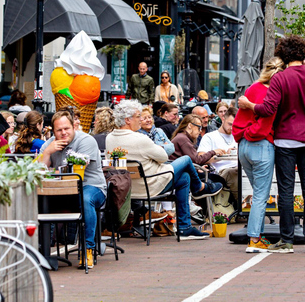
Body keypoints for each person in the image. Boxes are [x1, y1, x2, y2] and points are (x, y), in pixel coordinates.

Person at [238, 35, 305, 254]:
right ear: (304, 53)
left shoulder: (280, 78)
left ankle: (287, 241)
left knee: (286, 190)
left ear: (283, 55)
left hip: (285, 141)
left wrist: (250, 104)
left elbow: (268, 109)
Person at [105, 99, 222, 240]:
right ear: (127, 120)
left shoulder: (110, 138)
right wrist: (161, 147)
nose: (141, 119)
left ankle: (185, 228)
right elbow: (163, 156)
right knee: (185, 160)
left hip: (127, 187)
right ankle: (199, 187)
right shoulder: (140, 139)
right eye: (138, 116)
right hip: (151, 184)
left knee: (184, 178)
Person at [39, 110, 105, 267]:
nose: (63, 133)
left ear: (73, 127)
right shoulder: (49, 145)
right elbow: (37, 171)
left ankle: (88, 249)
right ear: (53, 131)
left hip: (92, 186)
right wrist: (48, 152)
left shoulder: (86, 141)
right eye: (59, 130)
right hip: (63, 191)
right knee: (41, 201)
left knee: (86, 198)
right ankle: (43, 251)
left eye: (66, 129)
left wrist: (53, 171)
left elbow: (76, 173)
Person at [233, 57, 284, 253]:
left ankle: (258, 236)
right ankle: (254, 240)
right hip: (261, 144)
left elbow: (241, 116)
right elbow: (265, 121)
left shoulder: (253, 88)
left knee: (257, 193)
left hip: (243, 145)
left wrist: (244, 134)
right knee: (261, 196)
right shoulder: (274, 92)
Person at [199, 107, 239, 202]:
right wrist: (219, 155)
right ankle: (242, 208)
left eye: (235, 125)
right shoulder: (210, 137)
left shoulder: (239, 136)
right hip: (220, 172)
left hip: (240, 169)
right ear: (223, 119)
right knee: (232, 173)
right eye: (230, 124)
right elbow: (201, 157)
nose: (232, 128)